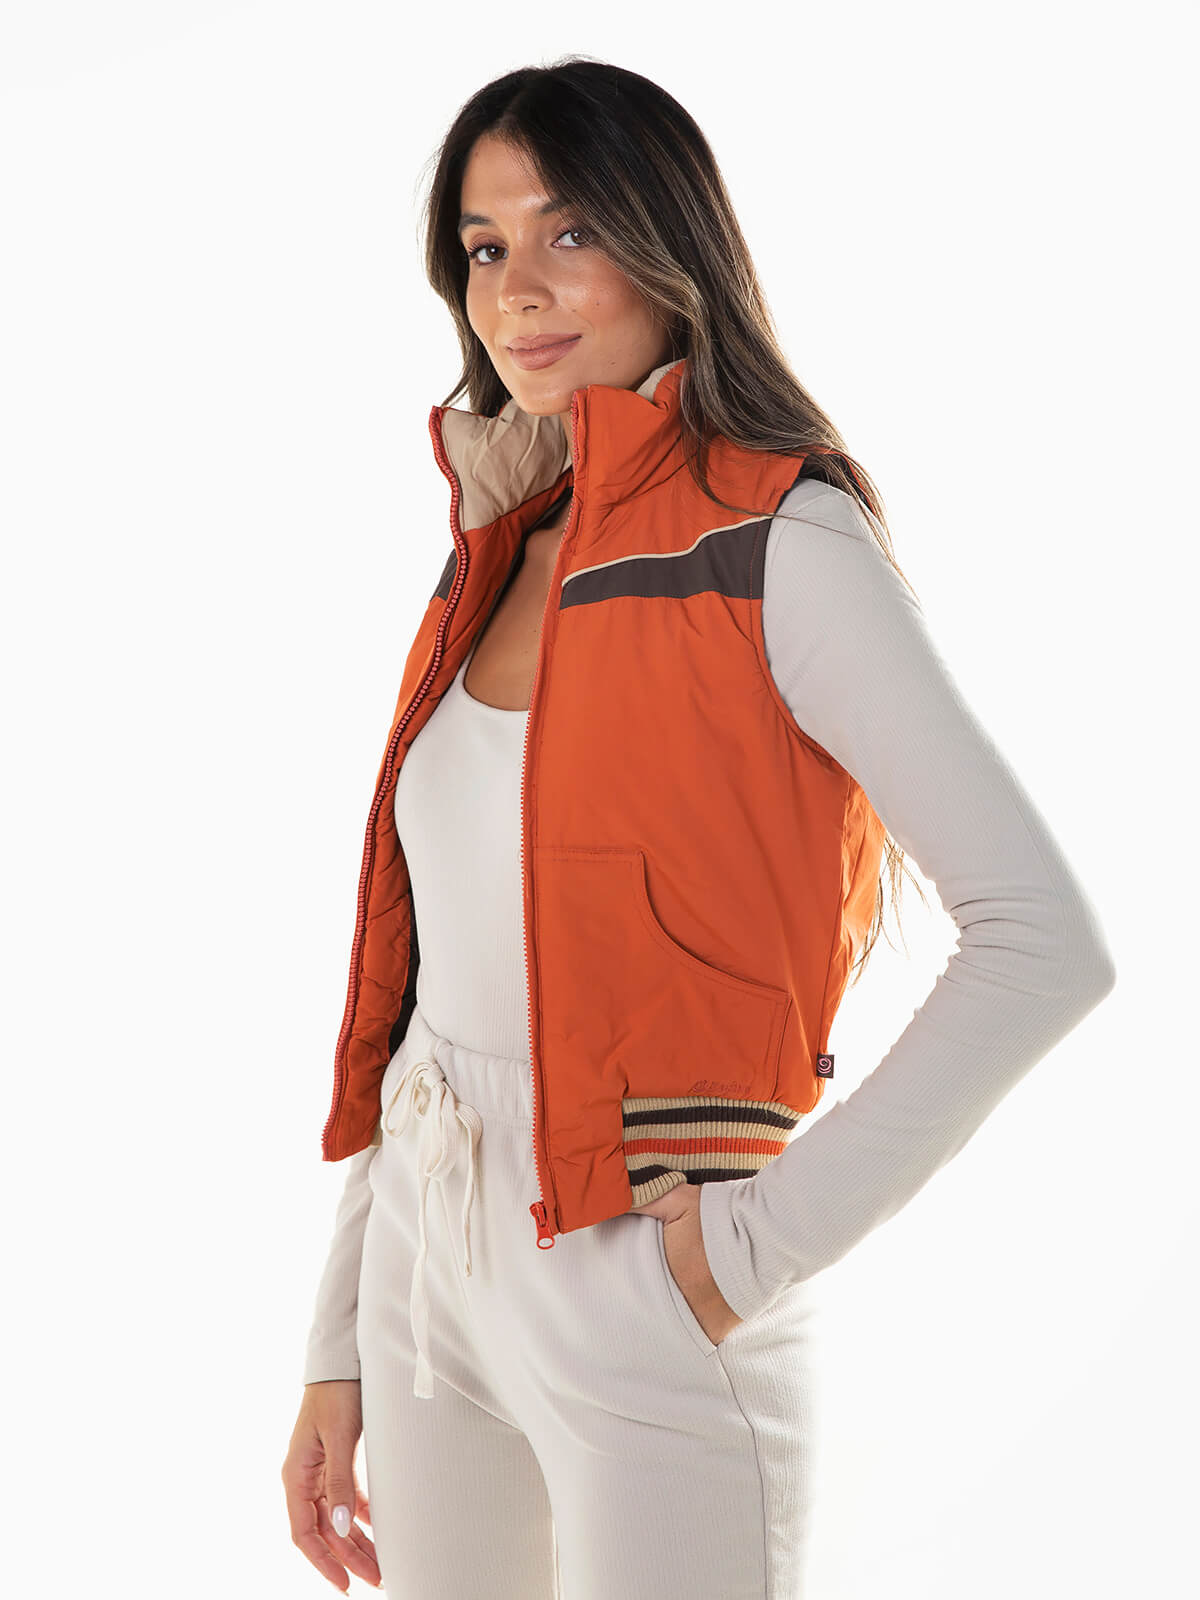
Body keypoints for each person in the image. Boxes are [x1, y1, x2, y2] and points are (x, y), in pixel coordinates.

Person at [280, 57, 1116, 1600]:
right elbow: (424, 987)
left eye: (571, 231)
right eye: (483, 247)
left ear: (672, 242)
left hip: (641, 1273)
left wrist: (745, 1254)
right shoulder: (497, 543)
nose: (518, 291)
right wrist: (340, 1336)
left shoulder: (782, 536)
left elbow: (1046, 944)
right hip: (425, 1261)